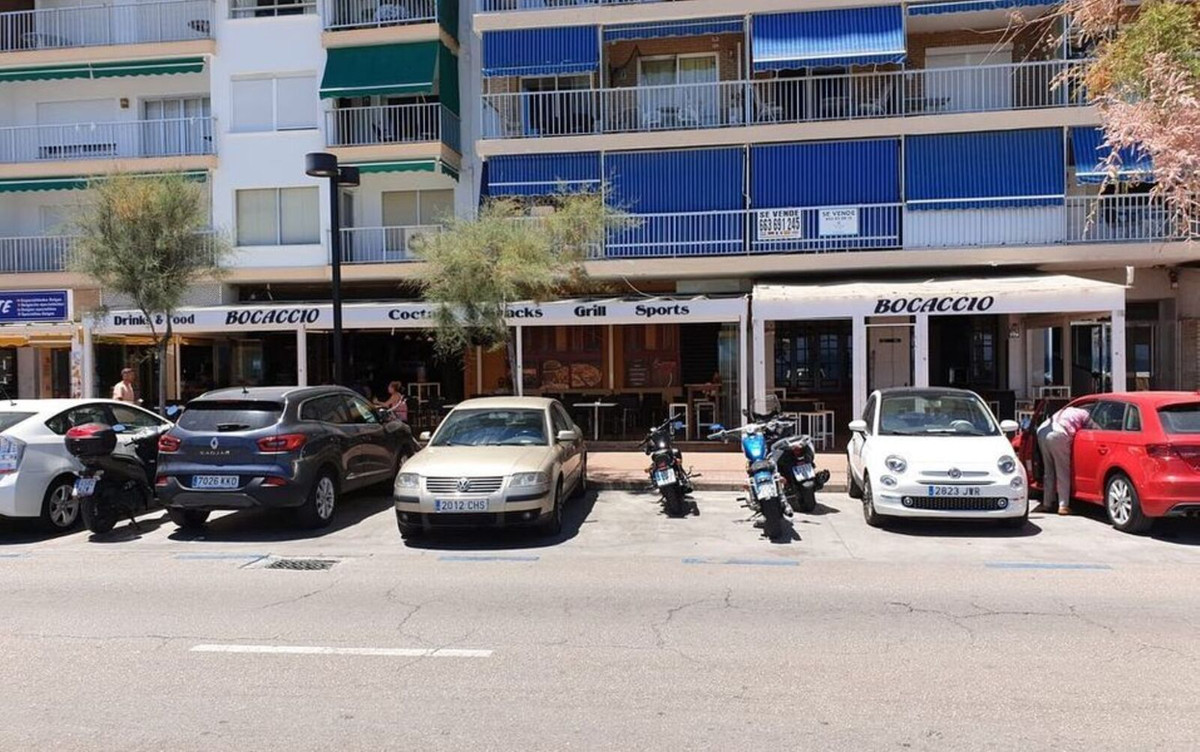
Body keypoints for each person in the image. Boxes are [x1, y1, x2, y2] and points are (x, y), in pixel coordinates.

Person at [1035, 403, 1092, 515]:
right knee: (1062, 471)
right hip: (1059, 433)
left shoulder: (1065, 410)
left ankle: (1047, 503)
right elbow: (1092, 427)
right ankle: (1063, 505)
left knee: (1049, 471)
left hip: (1042, 432)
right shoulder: (1085, 413)